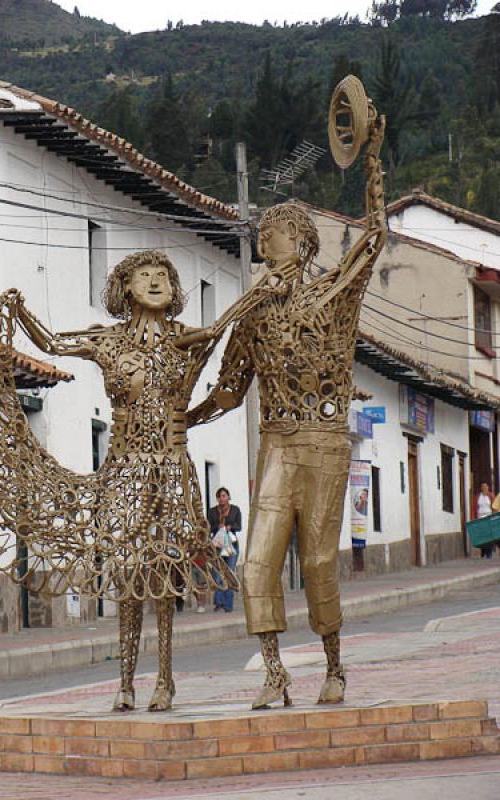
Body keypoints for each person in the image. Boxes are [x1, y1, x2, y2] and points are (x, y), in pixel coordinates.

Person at [0, 249, 277, 712]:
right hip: (124, 469)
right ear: (125, 288)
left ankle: (164, 678)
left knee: (163, 575)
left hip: (171, 467)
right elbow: (55, 345)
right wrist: (20, 313)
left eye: (163, 274)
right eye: (144, 275)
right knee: (127, 571)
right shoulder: (109, 341)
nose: (155, 281)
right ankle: (125, 681)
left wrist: (259, 293)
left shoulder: (187, 339)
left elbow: (219, 327)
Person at [189, 100, 386, 709]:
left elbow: (375, 238)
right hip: (275, 440)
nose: (263, 248)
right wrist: (187, 417)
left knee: (321, 562)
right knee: (258, 564)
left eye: (272, 238)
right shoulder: (253, 314)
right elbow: (230, 387)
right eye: (262, 240)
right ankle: (274, 672)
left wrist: (373, 161)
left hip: (324, 444)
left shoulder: (334, 298)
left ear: (301, 243)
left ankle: (333, 662)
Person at [208, 488, 241, 612]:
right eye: (219, 496)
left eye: (224, 496)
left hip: (231, 545)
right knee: (218, 572)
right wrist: (218, 527)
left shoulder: (235, 510)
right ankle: (219, 601)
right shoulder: (212, 512)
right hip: (218, 545)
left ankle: (228, 604)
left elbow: (239, 526)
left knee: (230, 573)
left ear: (228, 497)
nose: (222, 499)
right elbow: (209, 527)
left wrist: (229, 527)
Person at [473, 481, 496, 559]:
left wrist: (494, 517)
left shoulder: (491, 496)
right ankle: (483, 551)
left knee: (489, 536)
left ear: (488, 488)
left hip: (489, 518)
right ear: (481, 488)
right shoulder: (477, 497)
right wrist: (473, 519)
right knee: (482, 537)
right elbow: (474, 508)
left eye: (486, 487)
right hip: (480, 519)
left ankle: (489, 553)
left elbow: (495, 507)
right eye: (483, 487)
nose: (484, 488)